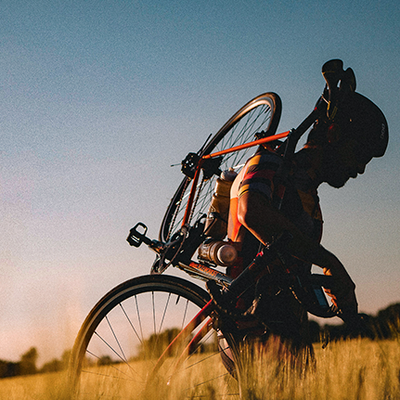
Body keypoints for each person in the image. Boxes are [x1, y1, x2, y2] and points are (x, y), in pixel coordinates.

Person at [225, 90, 388, 346]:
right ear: (333, 134)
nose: (361, 168)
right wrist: (329, 262)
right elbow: (251, 212)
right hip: (250, 328)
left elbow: (291, 266)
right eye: (359, 154)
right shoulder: (271, 160)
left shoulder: (309, 195)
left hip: (287, 335)